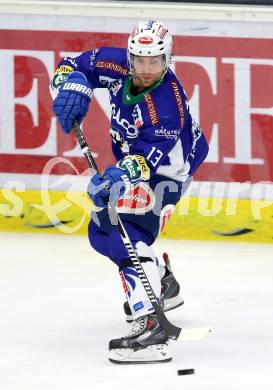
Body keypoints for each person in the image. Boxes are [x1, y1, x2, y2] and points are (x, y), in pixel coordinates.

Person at [51, 20, 209, 364]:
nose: (147, 69)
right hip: (139, 163)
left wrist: (117, 178)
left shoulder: (169, 104)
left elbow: (144, 163)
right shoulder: (116, 64)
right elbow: (72, 65)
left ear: (168, 59)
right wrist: (70, 86)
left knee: (128, 233)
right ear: (130, 55)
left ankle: (151, 326)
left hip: (167, 172)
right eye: (140, 60)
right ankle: (161, 283)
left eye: (155, 61)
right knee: (101, 231)